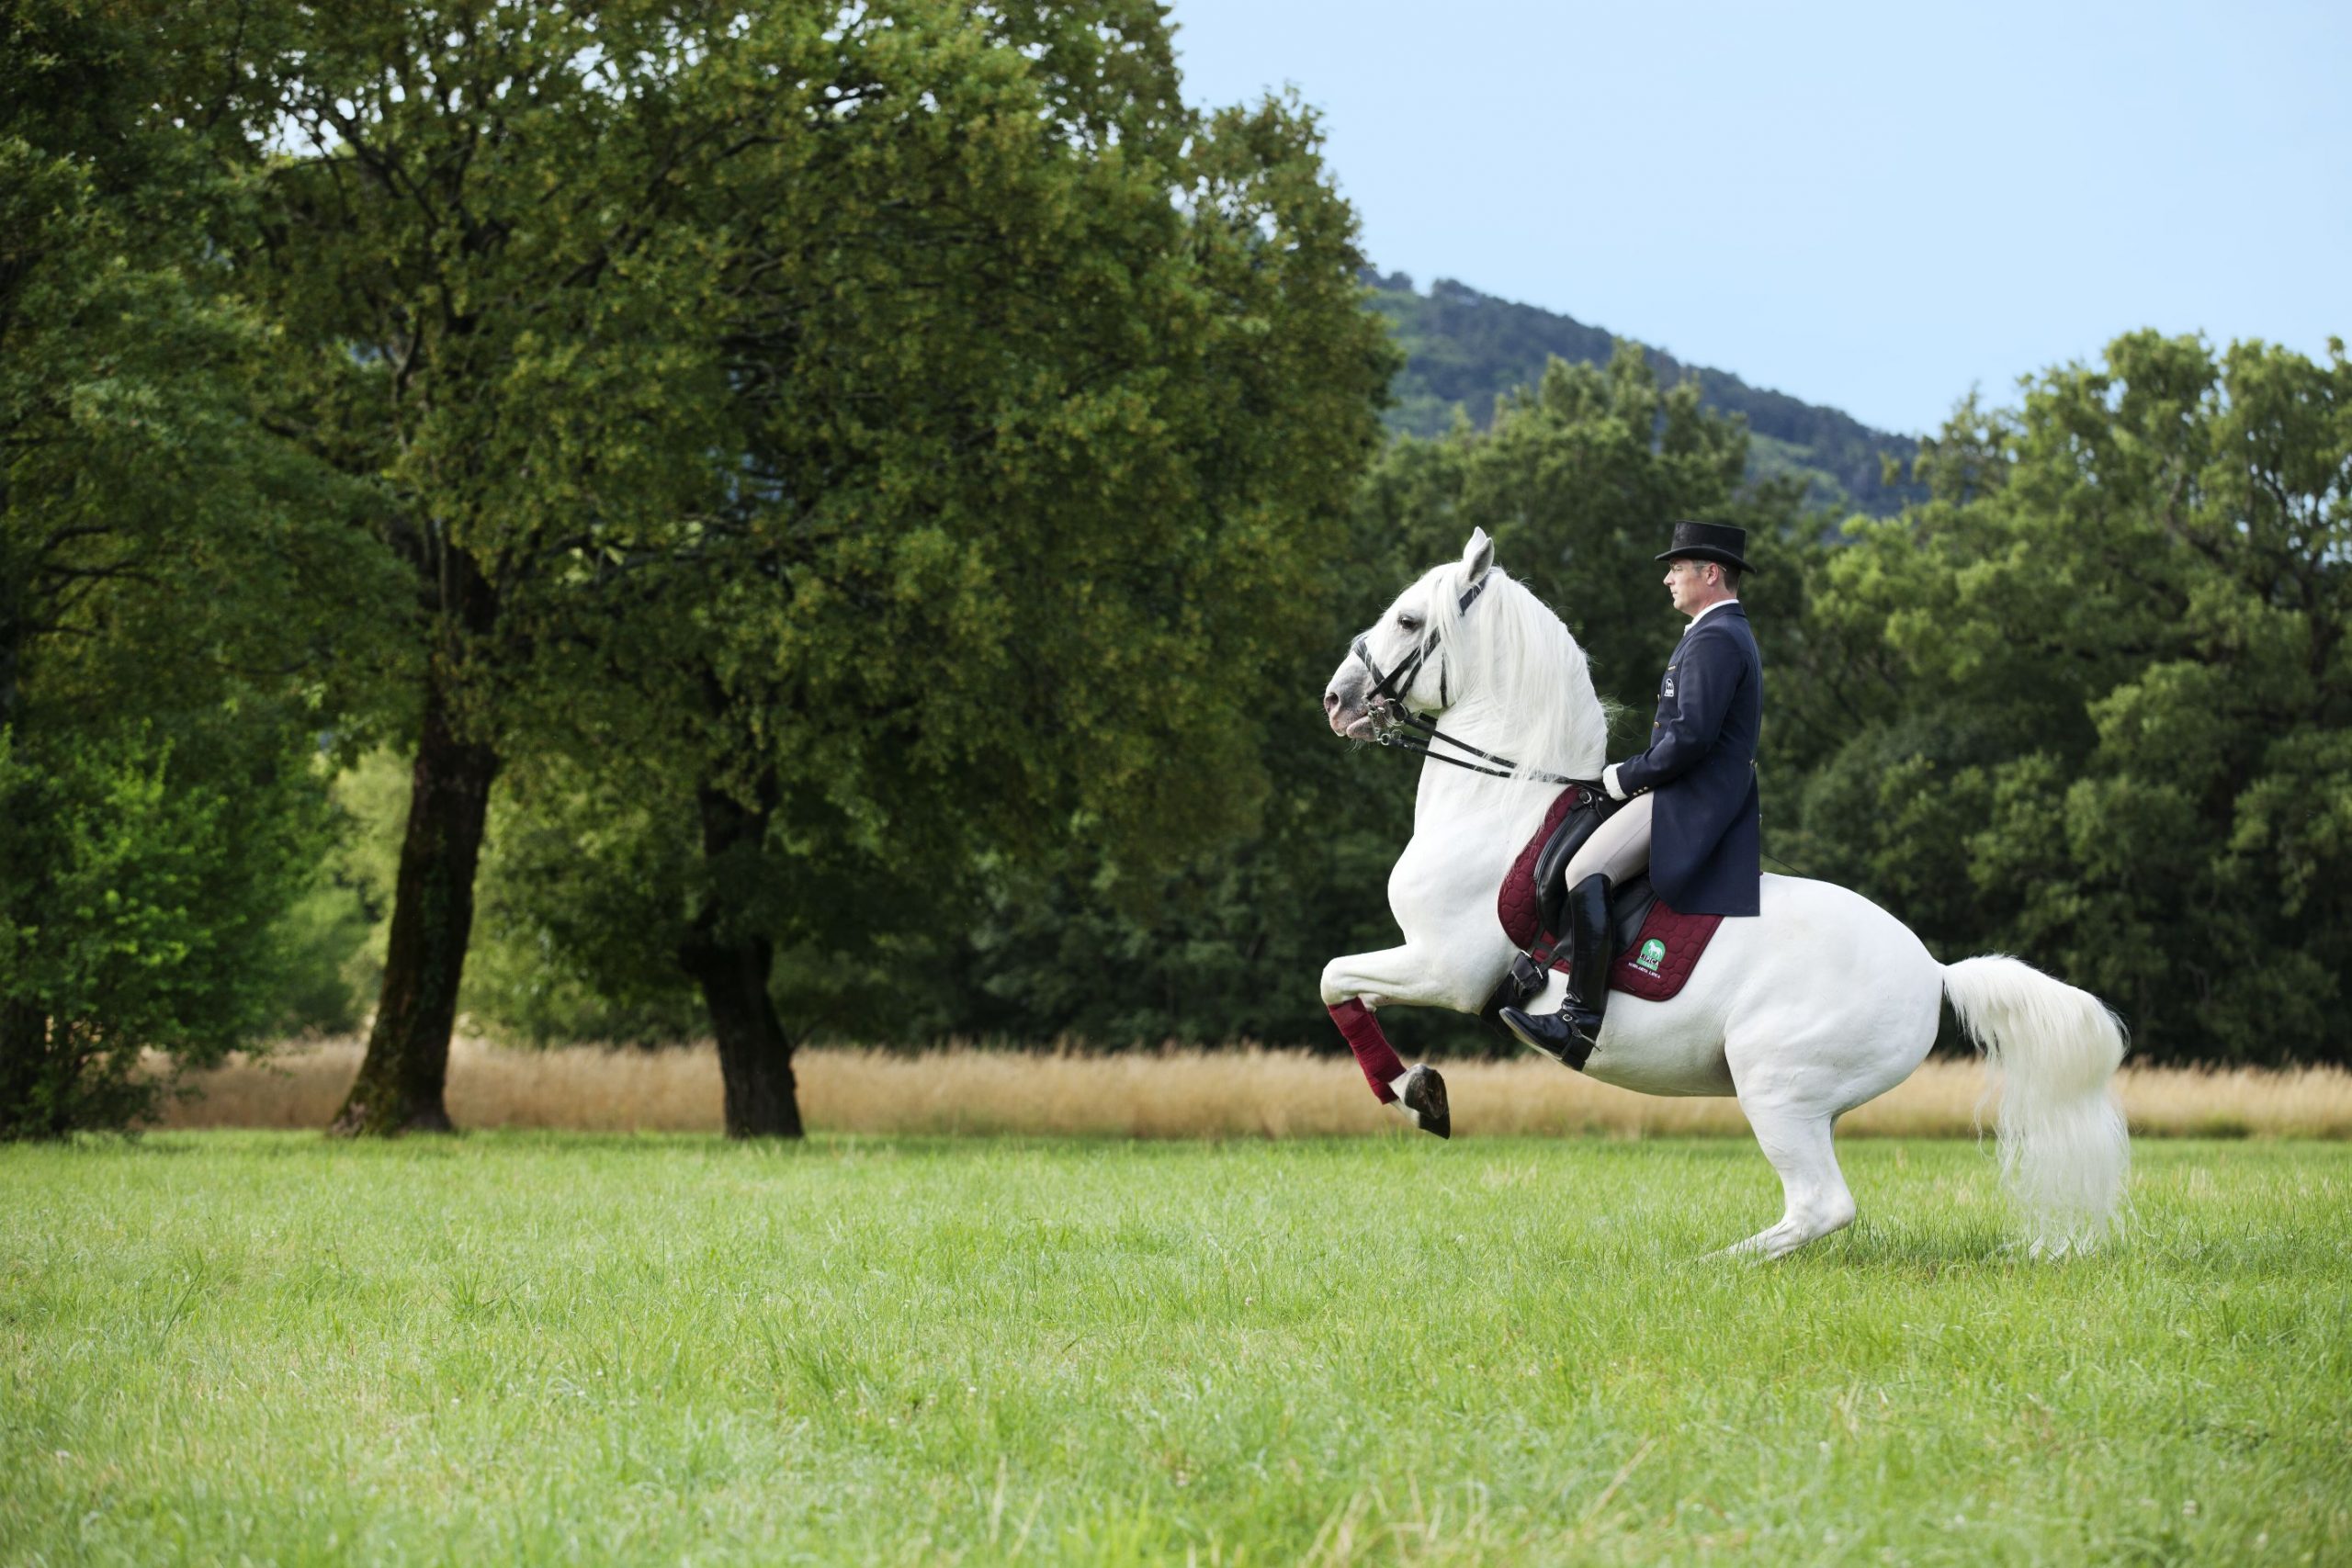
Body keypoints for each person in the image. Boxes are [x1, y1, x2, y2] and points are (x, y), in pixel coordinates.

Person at [1501, 519, 1764, 1066]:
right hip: (1685, 788)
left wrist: (1624, 776)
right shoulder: (1714, 632)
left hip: (1693, 799)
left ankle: (1578, 1022)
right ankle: (1551, 963)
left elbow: (1690, 737)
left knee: (1583, 870)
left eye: (1675, 570)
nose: (1668, 580)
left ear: (1710, 573)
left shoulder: (1717, 637)